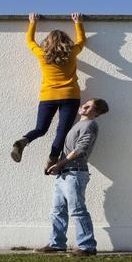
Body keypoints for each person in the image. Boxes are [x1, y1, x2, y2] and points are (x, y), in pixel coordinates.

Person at [11, 12, 87, 174]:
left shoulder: (42, 54)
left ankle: (24, 140)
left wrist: (32, 22)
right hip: (70, 95)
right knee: (62, 130)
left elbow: (30, 41)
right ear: (66, 42)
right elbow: (82, 41)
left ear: (47, 42)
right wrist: (78, 23)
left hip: (48, 96)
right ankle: (52, 160)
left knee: (40, 128)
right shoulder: (72, 52)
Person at [34, 98, 109, 256]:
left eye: (89, 106)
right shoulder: (78, 124)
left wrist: (60, 164)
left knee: (77, 210)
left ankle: (87, 247)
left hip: (75, 173)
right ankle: (57, 244)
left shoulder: (90, 125)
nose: (84, 107)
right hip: (64, 173)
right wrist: (58, 166)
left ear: (96, 112)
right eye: (84, 104)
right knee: (57, 210)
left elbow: (81, 148)